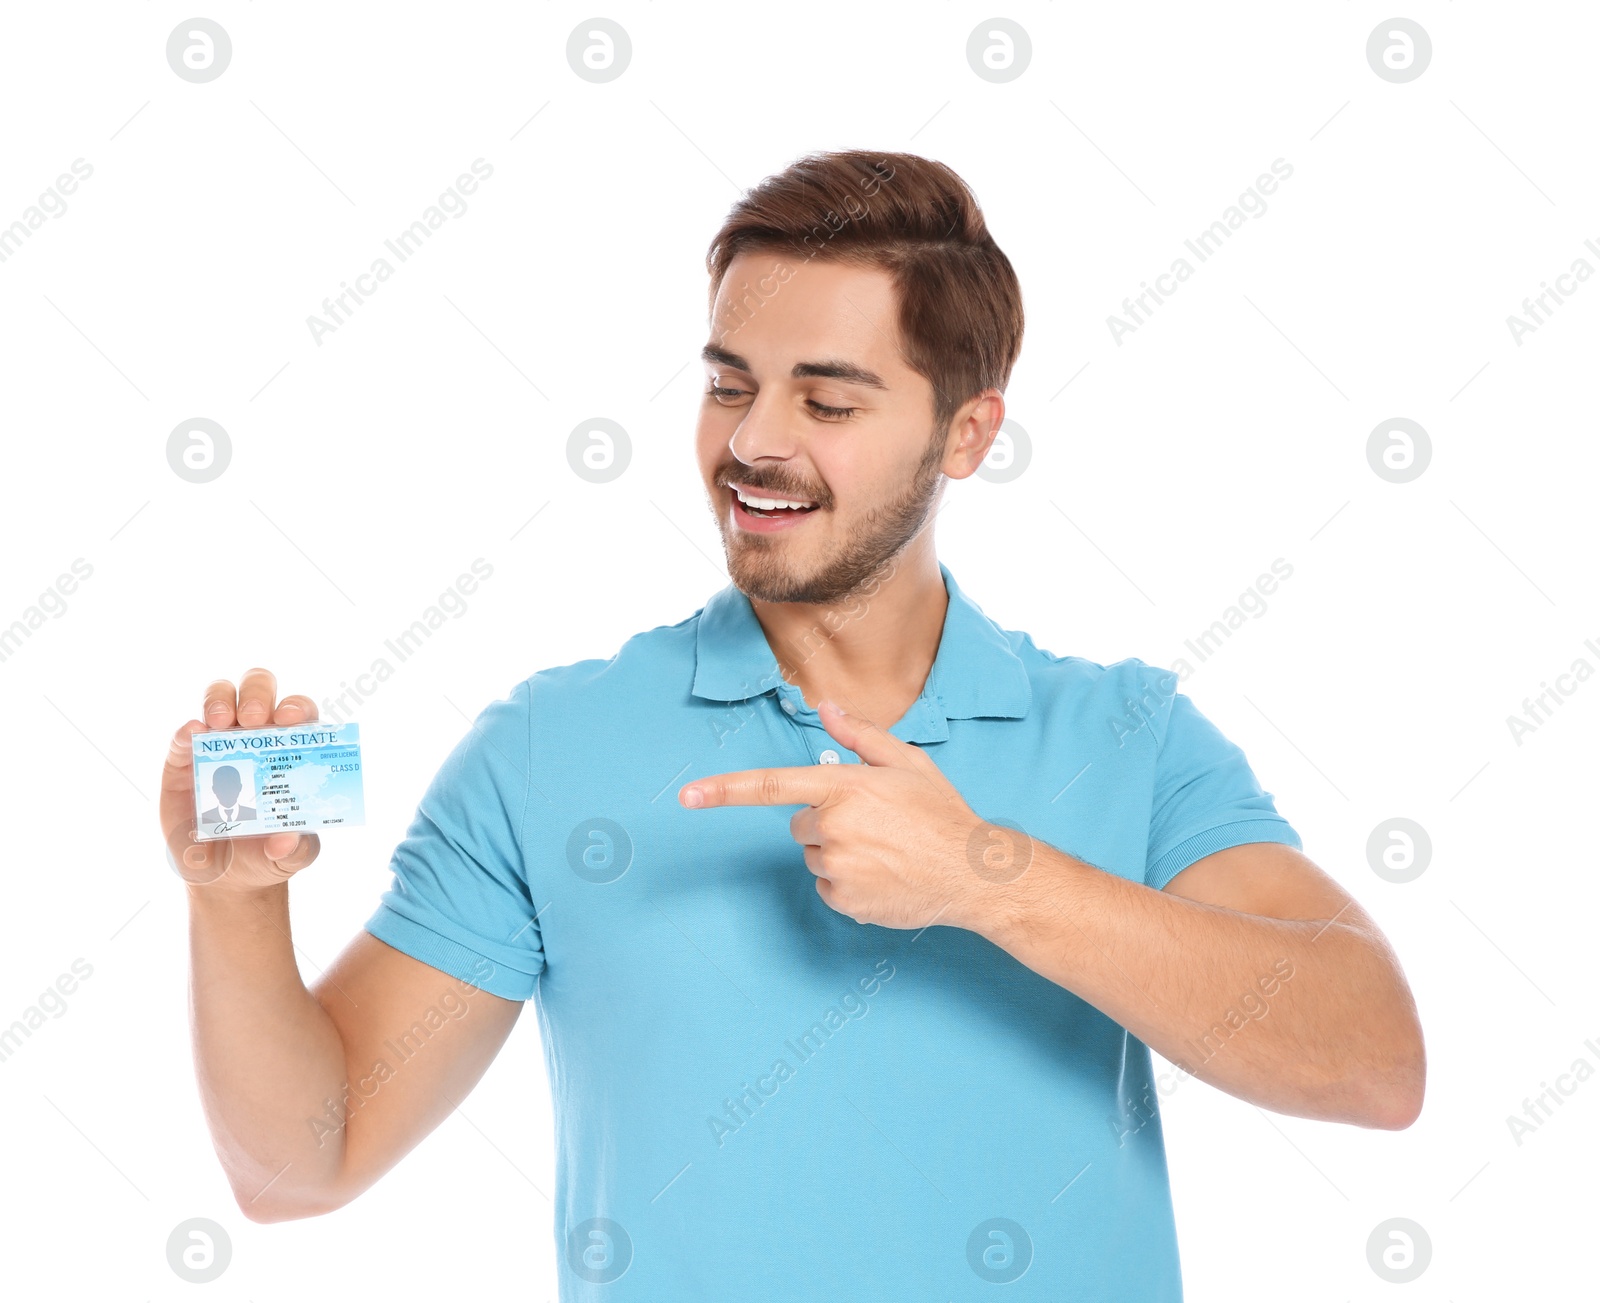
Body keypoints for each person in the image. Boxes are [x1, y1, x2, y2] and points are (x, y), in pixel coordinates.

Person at [160, 150, 1424, 1301]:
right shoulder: (546, 750)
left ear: (966, 431)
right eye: (729, 386)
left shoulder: (1128, 732)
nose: (752, 445)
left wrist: (984, 875)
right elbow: (300, 1165)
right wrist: (234, 905)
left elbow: (1374, 1062)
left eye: (827, 403)